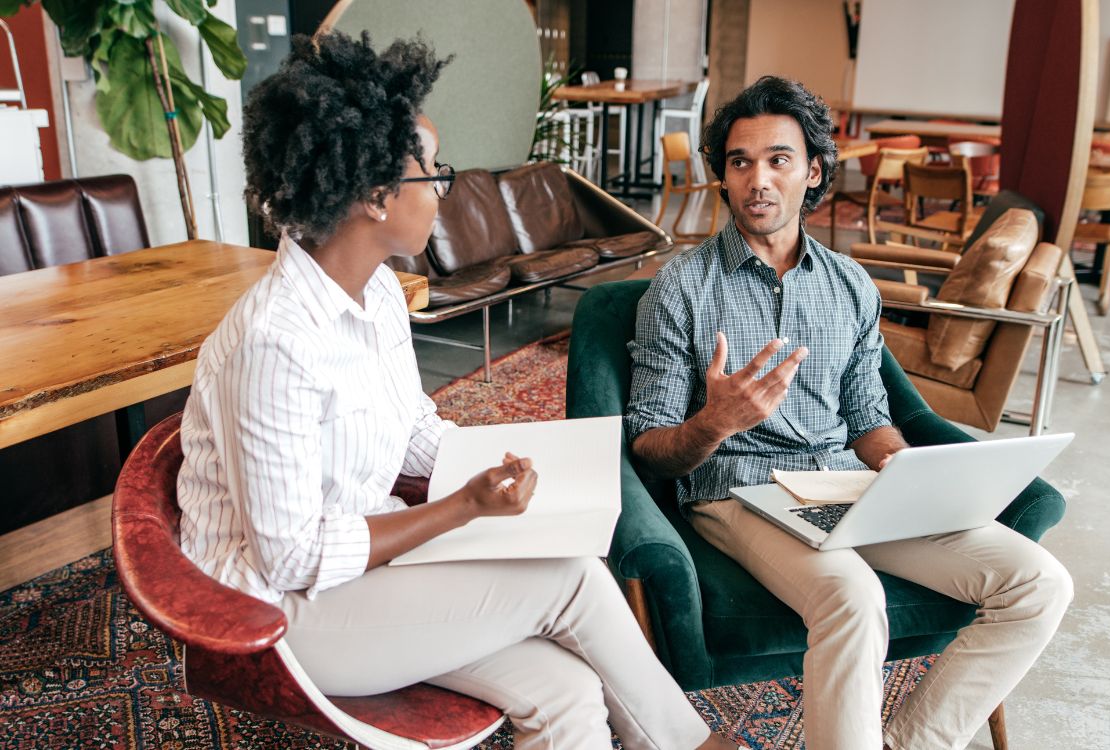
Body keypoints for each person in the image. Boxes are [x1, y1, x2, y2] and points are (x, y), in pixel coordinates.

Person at [176, 31, 741, 750]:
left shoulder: (377, 292)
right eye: (432, 170)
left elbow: (413, 425)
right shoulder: (276, 342)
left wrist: (508, 469)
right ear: (377, 196)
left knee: (566, 692)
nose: (444, 185)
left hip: (366, 577)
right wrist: (461, 509)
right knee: (568, 577)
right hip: (282, 614)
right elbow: (292, 559)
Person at [625, 76, 1073, 750]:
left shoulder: (850, 285)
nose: (758, 180)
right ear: (723, 176)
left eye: (779, 159)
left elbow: (868, 415)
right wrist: (715, 422)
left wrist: (901, 466)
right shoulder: (681, 289)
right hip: (738, 492)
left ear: (813, 171)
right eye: (740, 161)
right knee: (853, 597)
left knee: (1039, 582)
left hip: (846, 487)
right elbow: (649, 448)